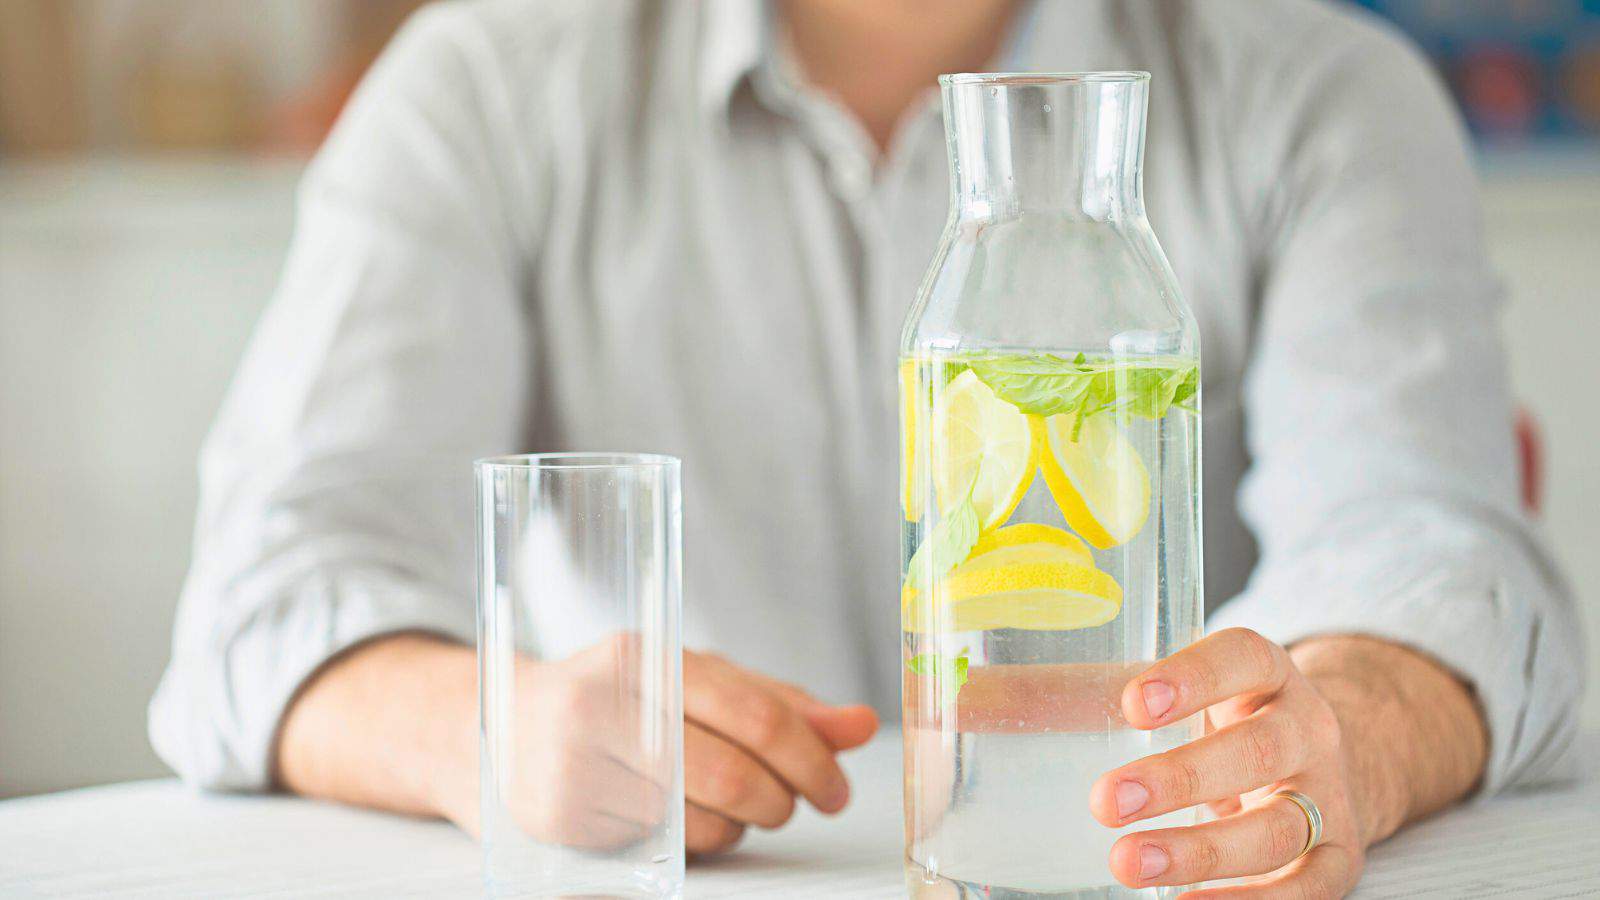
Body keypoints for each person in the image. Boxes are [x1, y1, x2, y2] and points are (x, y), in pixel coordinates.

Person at [149, 0, 1584, 895]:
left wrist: (1350, 729)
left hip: (1134, 868)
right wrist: (490, 733)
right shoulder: (483, 84)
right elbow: (265, 600)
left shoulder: (1325, 87)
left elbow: (1435, 552)